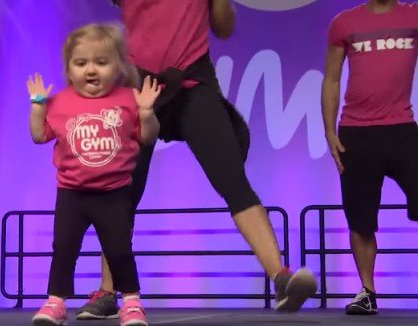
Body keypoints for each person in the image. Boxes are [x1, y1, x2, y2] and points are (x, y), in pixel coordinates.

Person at [77, 0, 318, 320]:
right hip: (138, 84)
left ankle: (281, 277)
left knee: (232, 180)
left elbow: (224, 27)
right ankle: (108, 291)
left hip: (192, 82)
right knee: (122, 191)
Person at [28, 23, 160, 326]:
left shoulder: (129, 98)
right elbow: (38, 135)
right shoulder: (59, 102)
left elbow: (148, 138)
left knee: (119, 250)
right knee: (64, 248)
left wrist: (146, 113)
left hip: (115, 192)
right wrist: (37, 107)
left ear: (118, 67)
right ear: (69, 68)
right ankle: (55, 303)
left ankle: (131, 302)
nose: (91, 70)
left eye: (101, 63)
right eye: (81, 63)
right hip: (72, 193)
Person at [322, 0, 418, 315]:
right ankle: (367, 292)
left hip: (402, 130)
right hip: (356, 133)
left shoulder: (413, 15)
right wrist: (330, 132)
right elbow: (332, 80)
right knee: (361, 220)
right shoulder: (344, 23)